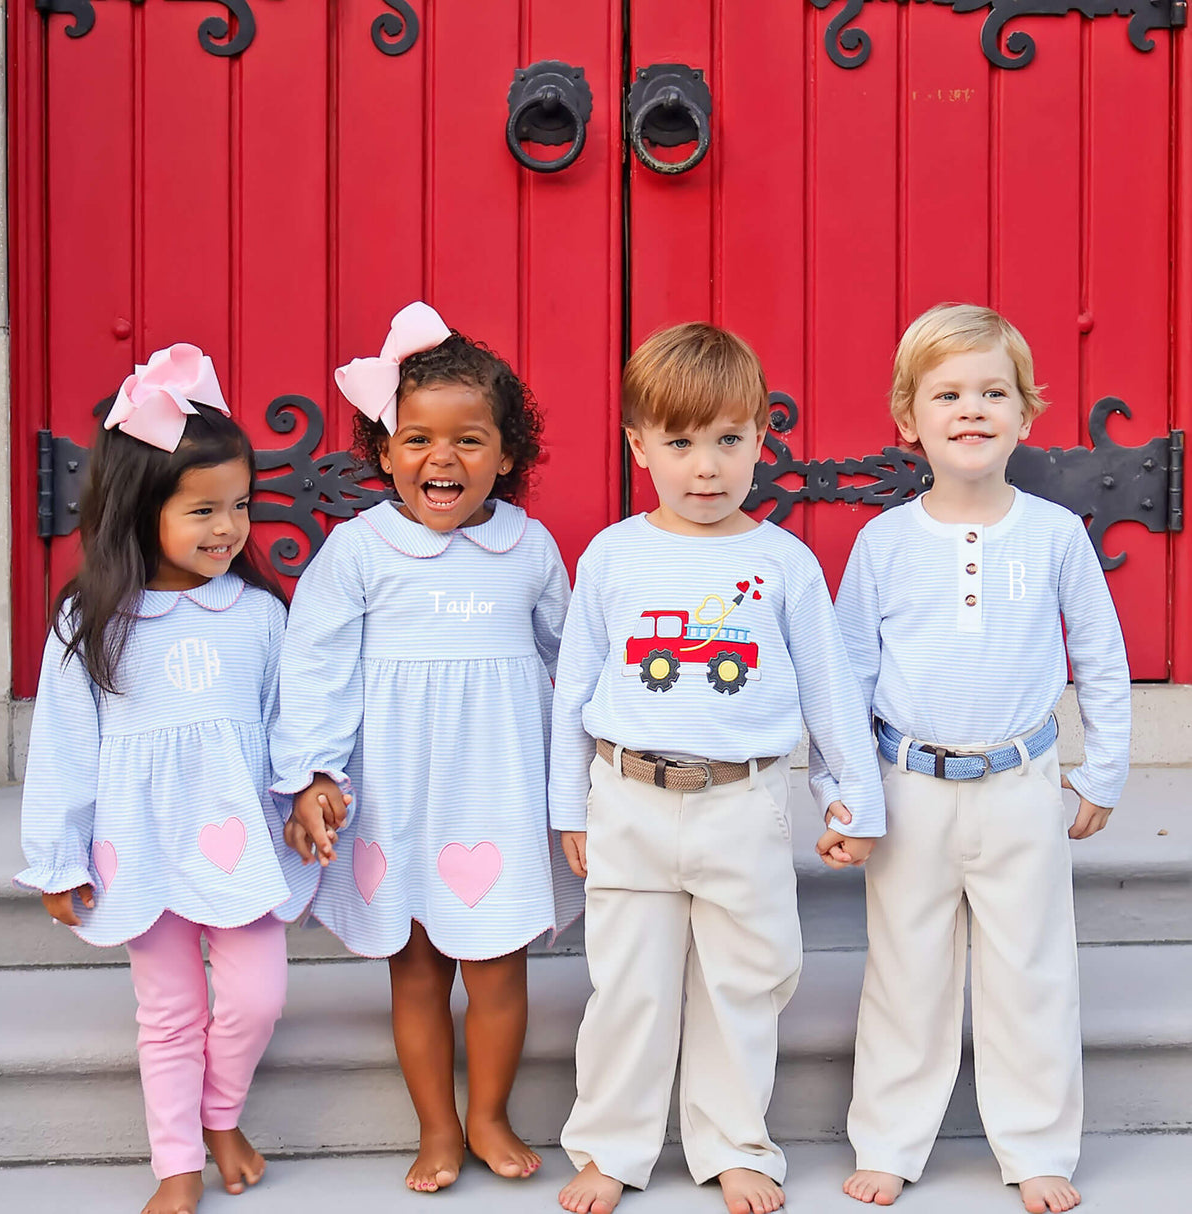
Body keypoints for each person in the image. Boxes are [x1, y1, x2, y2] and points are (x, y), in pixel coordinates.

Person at [550, 323, 885, 1214]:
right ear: (639, 446)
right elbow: (574, 689)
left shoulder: (783, 563)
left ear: (761, 441)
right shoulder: (615, 555)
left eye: (729, 442)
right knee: (628, 988)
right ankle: (613, 1148)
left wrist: (852, 797)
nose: (707, 467)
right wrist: (568, 807)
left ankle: (735, 1144)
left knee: (745, 980)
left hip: (745, 804)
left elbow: (829, 690)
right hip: (630, 798)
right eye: (681, 443)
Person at [817, 304, 1130, 1213]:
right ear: (908, 420)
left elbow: (1100, 658)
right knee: (906, 971)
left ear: (1027, 415)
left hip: (1021, 785)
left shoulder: (1054, 534)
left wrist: (1102, 769)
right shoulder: (883, 544)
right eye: (947, 393)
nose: (972, 409)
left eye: (994, 392)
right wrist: (846, 792)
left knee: (1030, 972)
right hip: (910, 787)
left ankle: (1035, 1145)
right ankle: (890, 1139)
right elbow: (847, 678)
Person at [271, 301, 582, 1193]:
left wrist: (594, 764)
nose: (441, 460)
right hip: (398, 790)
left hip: (499, 787)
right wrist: (314, 775)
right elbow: (316, 667)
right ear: (383, 451)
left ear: (508, 455)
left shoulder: (529, 549)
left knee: (496, 967)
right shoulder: (359, 551)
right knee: (416, 969)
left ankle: (488, 1113)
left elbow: (575, 662)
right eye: (416, 440)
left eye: (469, 441)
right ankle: (437, 1127)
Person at [15, 343, 315, 1214]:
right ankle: (177, 1162)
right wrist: (57, 855)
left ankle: (221, 1113)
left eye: (241, 506)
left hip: (236, 839)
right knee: (171, 1013)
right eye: (202, 510)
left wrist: (304, 794)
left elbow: (288, 725)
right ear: (140, 510)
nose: (228, 527)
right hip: (141, 846)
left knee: (256, 999)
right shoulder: (95, 619)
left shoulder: (260, 615)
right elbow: (67, 748)